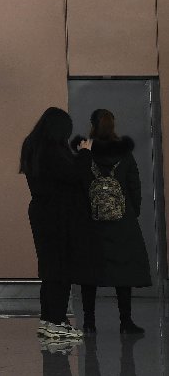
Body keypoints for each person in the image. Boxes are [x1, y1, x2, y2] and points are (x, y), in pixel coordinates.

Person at [20, 106, 99, 340]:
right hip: (60, 215)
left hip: (42, 212)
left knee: (49, 268)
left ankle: (48, 320)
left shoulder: (32, 145)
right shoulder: (53, 150)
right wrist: (85, 154)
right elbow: (73, 176)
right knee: (61, 268)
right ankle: (56, 322)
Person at [75, 108, 151, 335]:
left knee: (90, 273)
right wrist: (131, 213)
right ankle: (126, 322)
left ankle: (89, 323)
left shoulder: (86, 152)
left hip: (92, 222)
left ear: (92, 126)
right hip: (122, 222)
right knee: (123, 272)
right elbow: (135, 186)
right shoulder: (124, 154)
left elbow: (77, 185)